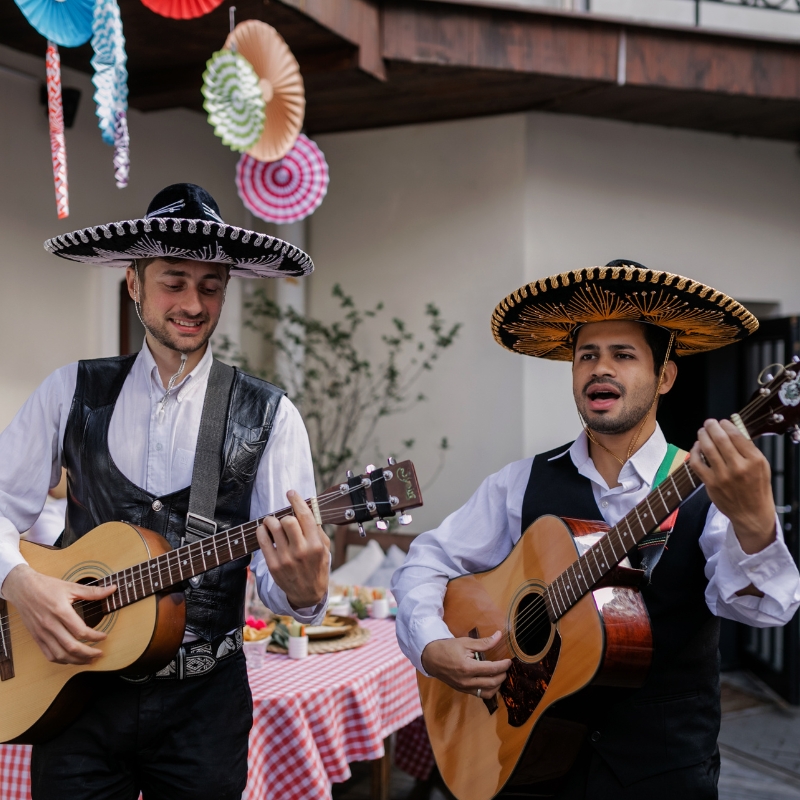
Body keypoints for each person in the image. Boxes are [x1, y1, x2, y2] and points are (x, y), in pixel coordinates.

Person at [392, 260, 800, 799]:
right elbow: (427, 560)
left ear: (665, 377)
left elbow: (764, 610)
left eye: (623, 355)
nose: (599, 369)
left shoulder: (705, 489)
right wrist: (430, 644)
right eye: (587, 355)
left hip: (662, 775)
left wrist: (754, 523)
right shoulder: (519, 482)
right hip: (523, 765)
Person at [0, 183, 330, 800]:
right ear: (134, 283)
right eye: (173, 282)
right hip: (76, 689)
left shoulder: (270, 415)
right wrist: (19, 582)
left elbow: (283, 589)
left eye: (211, 286)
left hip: (204, 708)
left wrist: (306, 592)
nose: (193, 304)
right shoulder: (71, 390)